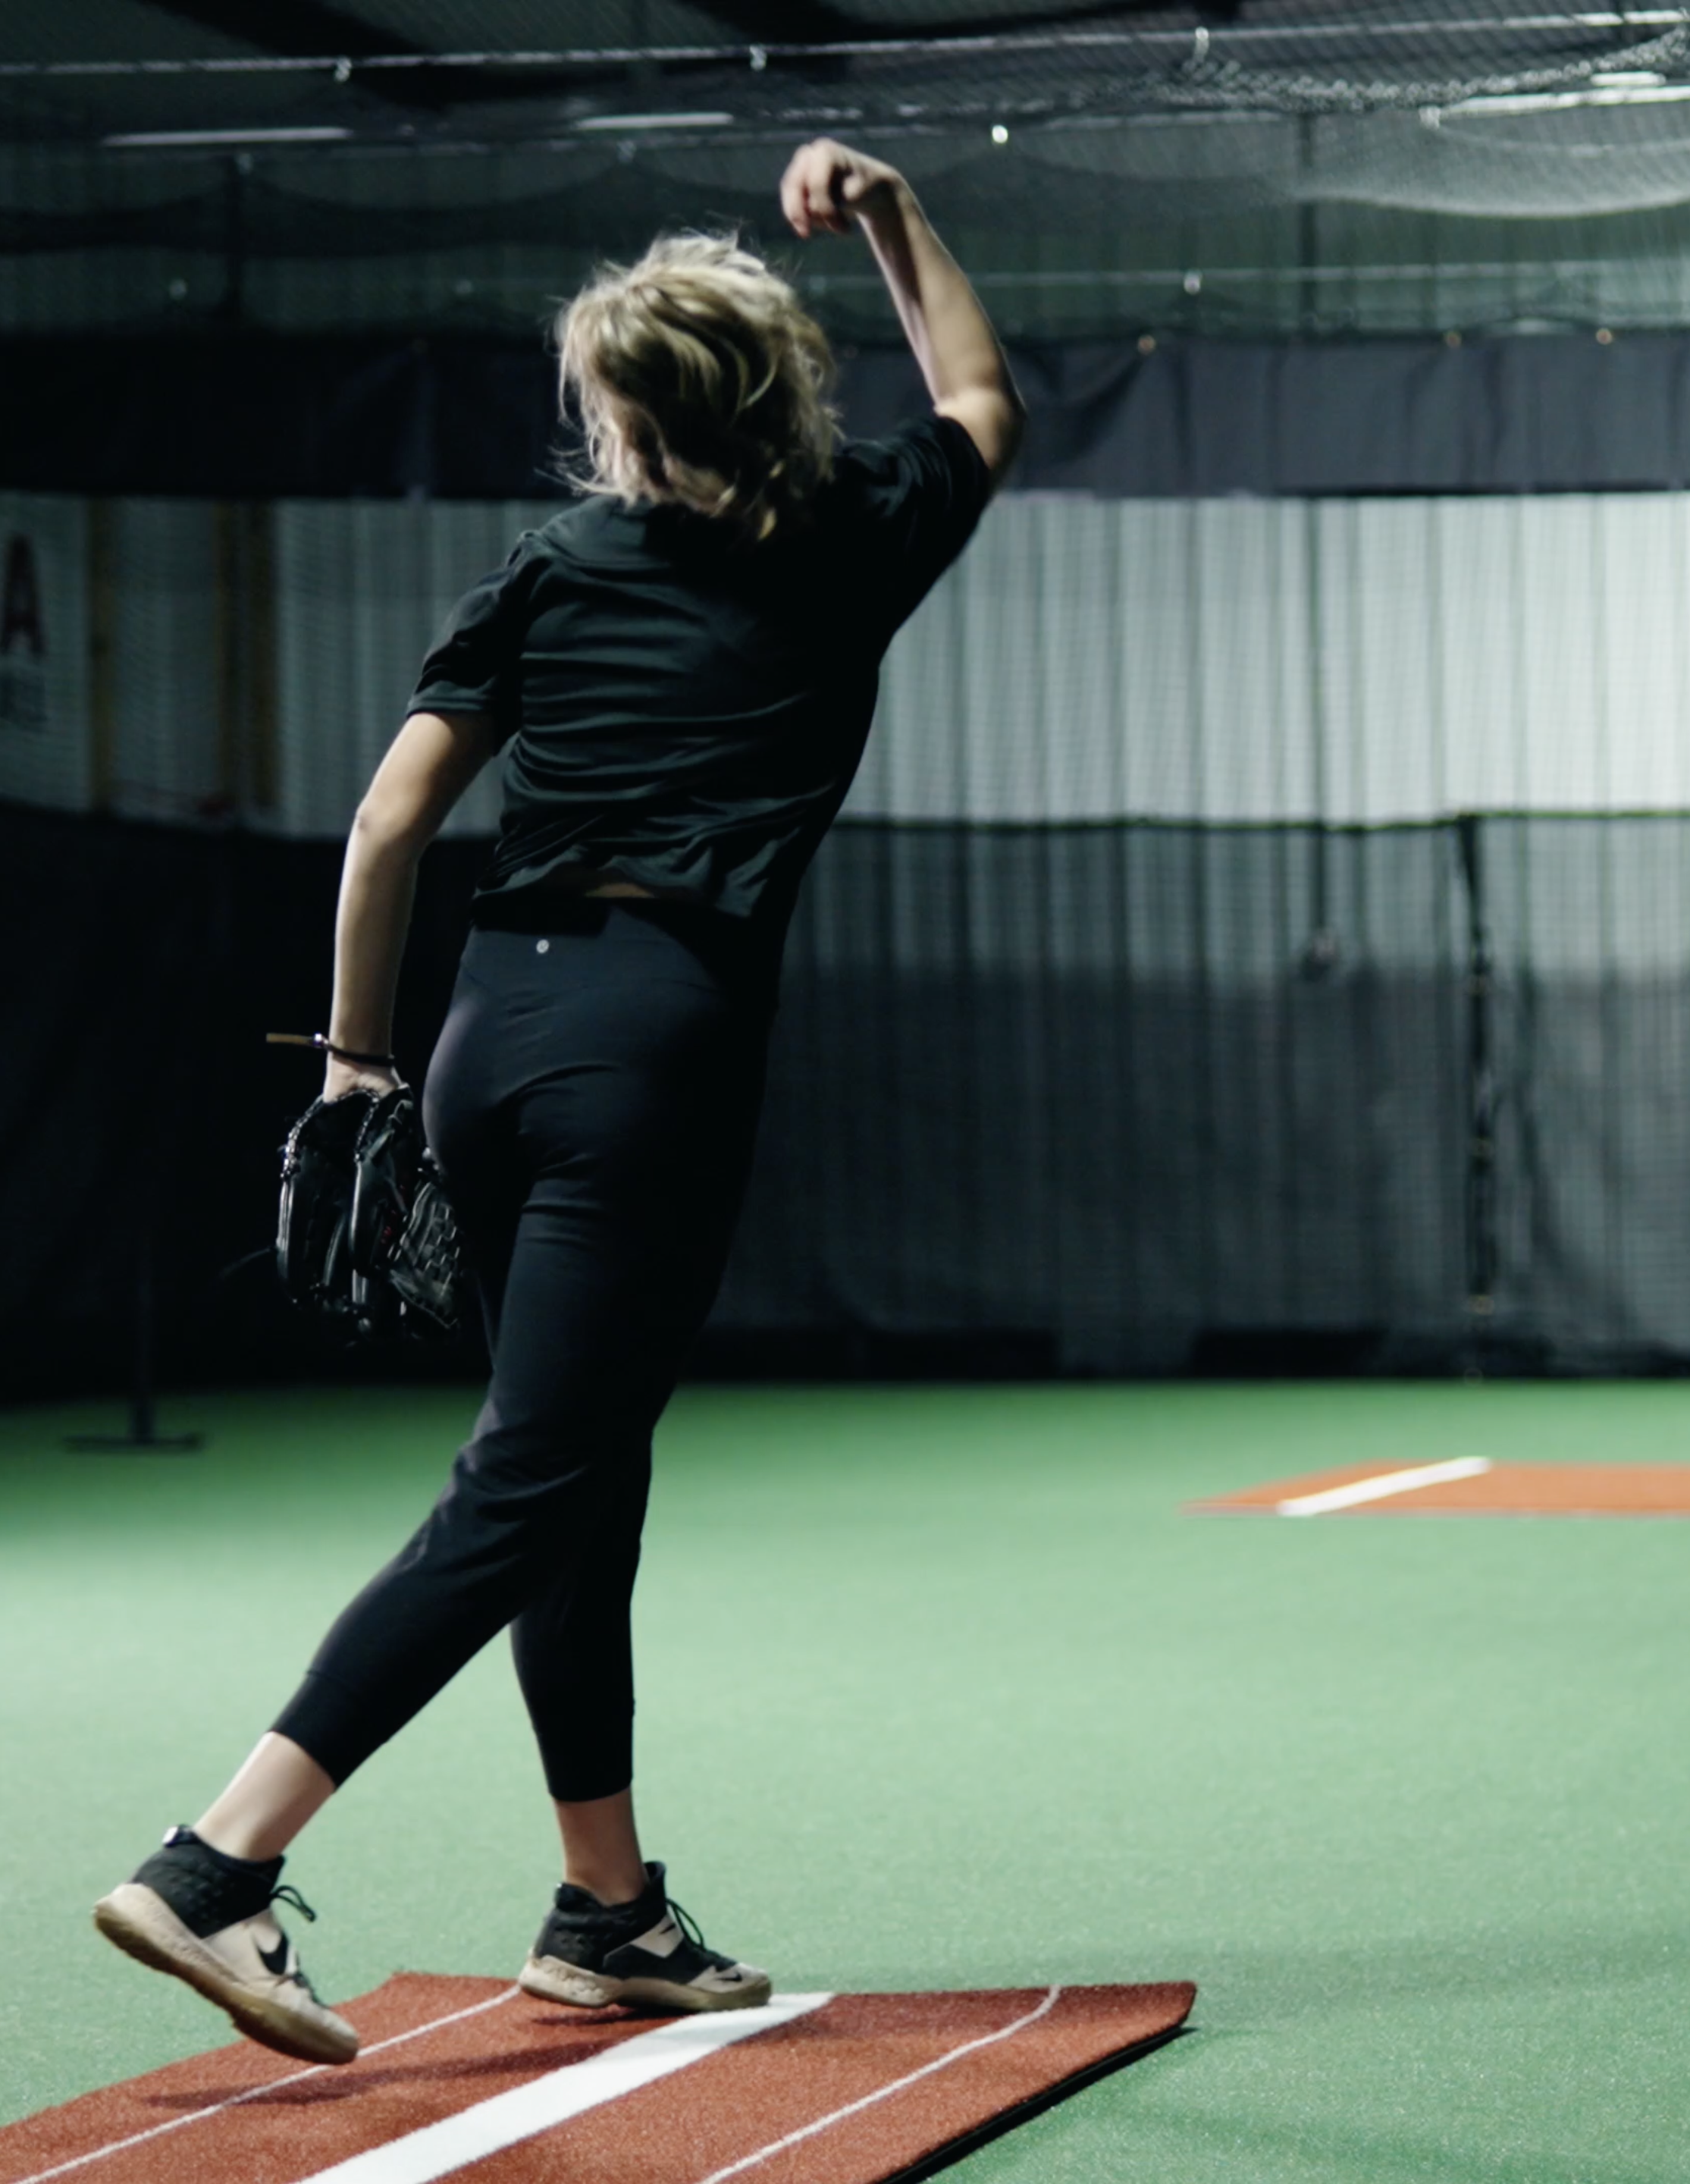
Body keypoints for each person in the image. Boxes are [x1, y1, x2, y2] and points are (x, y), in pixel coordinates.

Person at [87, 138, 1020, 2066]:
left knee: (579, 1463)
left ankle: (607, 1908)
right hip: (648, 1048)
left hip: (484, 1037)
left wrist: (355, 1071)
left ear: (618, 418)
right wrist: (897, 213)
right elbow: (982, 397)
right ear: (779, 397)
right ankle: (215, 1862)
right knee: (532, 1479)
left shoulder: (553, 562)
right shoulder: (852, 532)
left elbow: (390, 822)